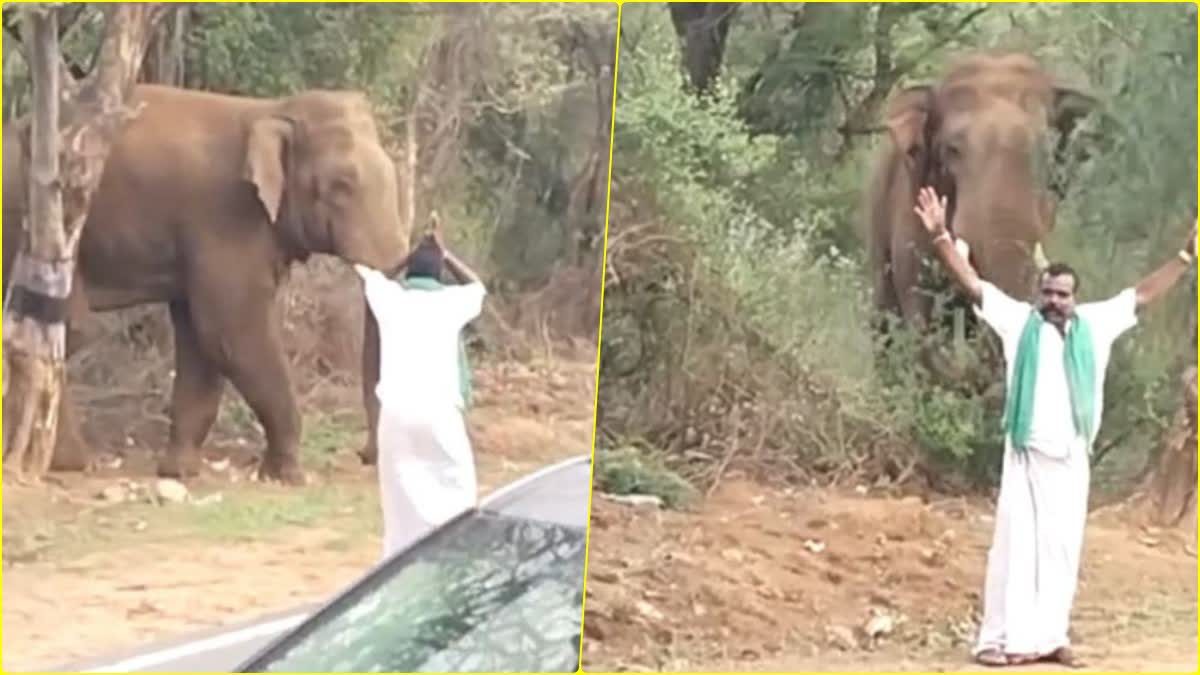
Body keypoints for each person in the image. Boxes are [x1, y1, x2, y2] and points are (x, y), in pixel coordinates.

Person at [911, 186, 1197, 668]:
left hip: (1072, 457)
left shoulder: (1096, 324)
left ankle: (1051, 636)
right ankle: (999, 640)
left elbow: (1144, 294)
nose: (1053, 301)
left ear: (1074, 297)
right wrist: (940, 235)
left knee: (1063, 549)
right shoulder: (1019, 323)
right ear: (1038, 293)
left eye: (1062, 295)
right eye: (1047, 293)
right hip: (1025, 456)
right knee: (1016, 546)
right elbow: (973, 284)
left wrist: (1187, 256)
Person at [354, 228, 487, 558]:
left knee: (400, 498)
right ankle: (454, 555)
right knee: (457, 492)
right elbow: (478, 287)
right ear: (440, 273)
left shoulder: (392, 300)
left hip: (396, 414)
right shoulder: (450, 302)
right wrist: (446, 253)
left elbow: (371, 277)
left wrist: (407, 256)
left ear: (409, 272)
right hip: (439, 412)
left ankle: (400, 561)